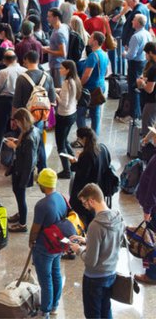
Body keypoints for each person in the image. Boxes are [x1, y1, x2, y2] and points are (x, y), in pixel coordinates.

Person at [67, 183, 123, 319]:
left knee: (92, 314)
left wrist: (78, 249)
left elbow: (91, 261)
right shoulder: (117, 217)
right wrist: (87, 240)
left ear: (91, 200)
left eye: (84, 203)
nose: (84, 206)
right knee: (106, 310)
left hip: (94, 278)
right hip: (111, 273)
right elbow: (112, 242)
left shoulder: (95, 225)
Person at [29, 168, 67, 317]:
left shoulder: (42, 205)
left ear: (43, 184)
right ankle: (54, 306)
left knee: (45, 280)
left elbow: (35, 228)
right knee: (56, 274)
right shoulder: (61, 198)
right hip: (58, 244)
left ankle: (44, 310)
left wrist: (31, 242)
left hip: (44, 247)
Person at [68, 127, 111, 229]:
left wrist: (74, 164)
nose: (79, 141)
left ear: (84, 139)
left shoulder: (87, 154)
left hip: (87, 191)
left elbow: (82, 175)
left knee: (84, 214)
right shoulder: (101, 148)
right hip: (100, 186)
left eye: (79, 139)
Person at [5, 108, 38, 233]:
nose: (16, 125)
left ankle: (22, 224)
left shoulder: (29, 138)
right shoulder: (32, 131)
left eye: (17, 122)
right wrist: (17, 143)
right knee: (19, 196)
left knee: (21, 196)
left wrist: (15, 147)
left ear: (22, 121)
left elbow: (28, 161)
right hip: (19, 170)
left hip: (22, 173)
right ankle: (20, 214)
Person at [77, 32, 108, 137]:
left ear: (95, 41)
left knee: (81, 112)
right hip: (100, 86)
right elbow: (106, 71)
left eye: (90, 38)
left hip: (90, 88)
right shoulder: (104, 54)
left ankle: (83, 137)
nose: (89, 39)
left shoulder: (92, 56)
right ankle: (94, 137)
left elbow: (86, 75)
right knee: (95, 113)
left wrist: (79, 85)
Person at [55, 60, 81, 179]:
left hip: (64, 115)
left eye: (62, 68)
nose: (60, 70)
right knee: (65, 140)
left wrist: (54, 94)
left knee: (60, 145)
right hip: (72, 113)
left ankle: (66, 170)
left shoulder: (66, 83)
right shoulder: (75, 80)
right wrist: (60, 91)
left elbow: (63, 103)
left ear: (68, 70)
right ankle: (75, 163)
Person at [122, 13, 149, 124]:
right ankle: (139, 112)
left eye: (133, 20)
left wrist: (124, 53)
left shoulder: (135, 36)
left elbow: (131, 55)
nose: (132, 21)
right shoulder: (146, 33)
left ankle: (134, 115)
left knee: (133, 89)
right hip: (143, 62)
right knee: (139, 88)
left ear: (137, 23)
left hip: (135, 64)